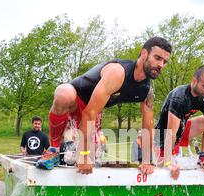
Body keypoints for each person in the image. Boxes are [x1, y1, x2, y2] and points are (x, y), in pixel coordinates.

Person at [48, 37, 172, 175]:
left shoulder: (147, 90)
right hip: (76, 100)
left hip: (93, 112)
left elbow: (147, 125)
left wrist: (146, 160)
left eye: (164, 62)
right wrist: (82, 154)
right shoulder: (118, 72)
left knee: (92, 160)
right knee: (63, 93)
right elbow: (89, 113)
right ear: (144, 54)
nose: (161, 64)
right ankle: (52, 149)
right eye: (157, 58)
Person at [154, 66, 204, 180]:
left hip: (181, 131)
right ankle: (164, 158)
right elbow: (171, 133)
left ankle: (203, 157)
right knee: (165, 171)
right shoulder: (179, 97)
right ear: (194, 81)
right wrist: (169, 162)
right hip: (162, 138)